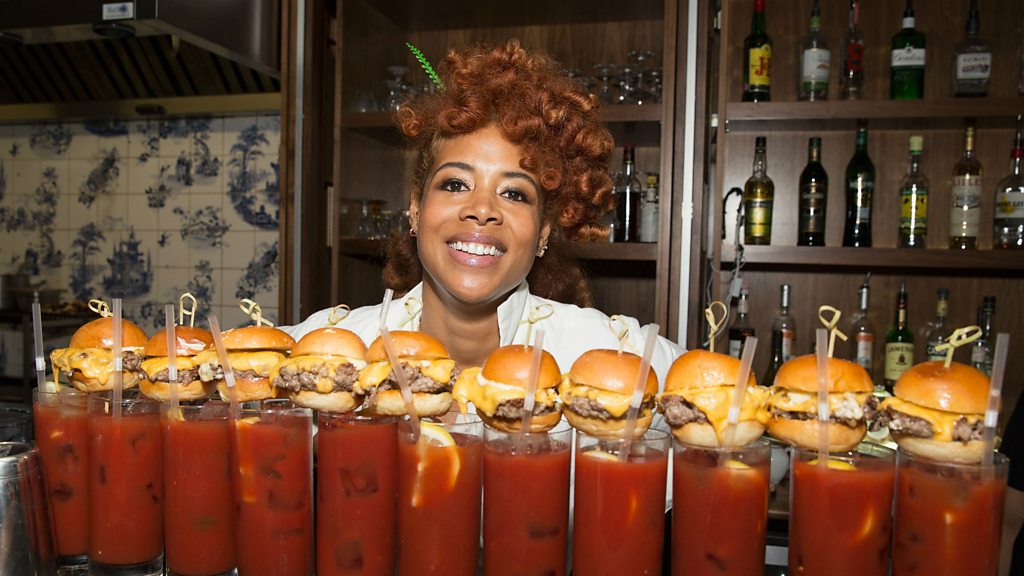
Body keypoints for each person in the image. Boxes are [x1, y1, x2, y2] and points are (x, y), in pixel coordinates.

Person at [285, 39, 682, 382]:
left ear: (543, 231)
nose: (482, 209)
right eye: (456, 184)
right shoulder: (325, 348)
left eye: (514, 193)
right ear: (416, 209)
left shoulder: (615, 353)